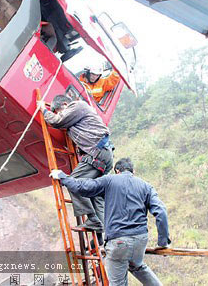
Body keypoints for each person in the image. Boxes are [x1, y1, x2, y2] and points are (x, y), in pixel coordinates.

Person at [50, 157, 170, 286]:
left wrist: (63, 177)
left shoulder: (109, 180)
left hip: (119, 241)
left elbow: (83, 187)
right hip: (140, 240)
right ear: (133, 171)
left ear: (117, 170)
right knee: (137, 266)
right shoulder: (146, 186)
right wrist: (163, 242)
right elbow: (161, 211)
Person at [37, 95, 113, 234]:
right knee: (94, 192)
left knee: (74, 182)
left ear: (65, 104)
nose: (61, 114)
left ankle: (93, 219)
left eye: (60, 111)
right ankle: (103, 231)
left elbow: (57, 121)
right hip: (103, 154)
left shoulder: (77, 106)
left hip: (97, 154)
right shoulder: (80, 115)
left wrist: (43, 109)